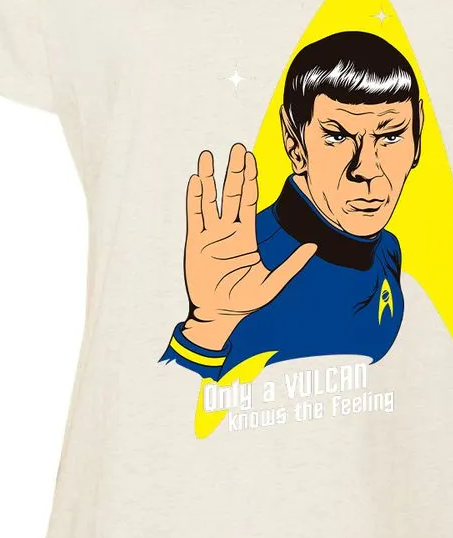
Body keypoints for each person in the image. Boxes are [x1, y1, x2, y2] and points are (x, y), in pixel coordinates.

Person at [158, 29, 424, 380]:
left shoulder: (386, 249)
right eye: (337, 136)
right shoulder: (236, 263)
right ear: (294, 141)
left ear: (417, 134)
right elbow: (169, 400)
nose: (366, 169)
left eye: (391, 136)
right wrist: (207, 326)